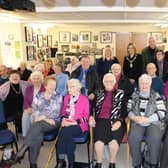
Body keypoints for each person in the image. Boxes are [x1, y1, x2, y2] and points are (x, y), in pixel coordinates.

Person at [12, 76, 63, 168]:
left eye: (54, 85)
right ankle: (33, 163)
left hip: (54, 122)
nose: (53, 87)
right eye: (51, 85)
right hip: (42, 121)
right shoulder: (39, 95)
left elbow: (55, 112)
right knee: (37, 134)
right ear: (45, 86)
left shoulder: (58, 96)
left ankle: (22, 151)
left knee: (36, 126)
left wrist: (42, 116)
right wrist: (43, 118)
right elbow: (34, 110)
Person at [128, 74, 166, 168]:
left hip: (154, 123)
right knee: (133, 138)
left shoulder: (156, 95)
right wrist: (134, 118)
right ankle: (137, 163)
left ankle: (152, 163)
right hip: (138, 121)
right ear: (139, 84)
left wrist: (148, 119)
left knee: (154, 138)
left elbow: (162, 111)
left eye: (146, 83)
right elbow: (128, 109)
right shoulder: (134, 95)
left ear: (150, 84)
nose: (144, 86)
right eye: (142, 83)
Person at [89, 73, 126, 168]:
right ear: (103, 82)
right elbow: (91, 108)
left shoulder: (120, 94)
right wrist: (91, 117)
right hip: (100, 120)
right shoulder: (99, 93)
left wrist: (119, 121)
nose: (108, 83)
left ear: (114, 82)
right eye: (106, 81)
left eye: (111, 81)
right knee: (99, 141)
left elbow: (124, 111)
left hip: (116, 120)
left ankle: (112, 163)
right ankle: (98, 163)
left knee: (113, 143)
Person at [55, 79, 90, 168]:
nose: (69, 89)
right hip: (67, 123)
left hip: (79, 125)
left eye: (72, 86)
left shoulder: (84, 99)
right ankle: (71, 163)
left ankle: (60, 161)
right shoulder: (66, 97)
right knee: (67, 136)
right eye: (68, 87)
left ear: (78, 88)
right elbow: (63, 112)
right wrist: (63, 119)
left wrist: (73, 123)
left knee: (63, 133)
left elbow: (86, 117)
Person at [22, 71, 45, 137]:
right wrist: (28, 108)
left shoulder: (44, 89)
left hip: (40, 109)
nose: (36, 80)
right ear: (32, 80)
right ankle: (26, 136)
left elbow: (45, 102)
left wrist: (36, 109)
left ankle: (35, 136)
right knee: (25, 115)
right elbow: (25, 100)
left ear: (41, 79)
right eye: (34, 79)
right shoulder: (28, 89)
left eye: (38, 78)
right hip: (30, 107)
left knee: (33, 117)